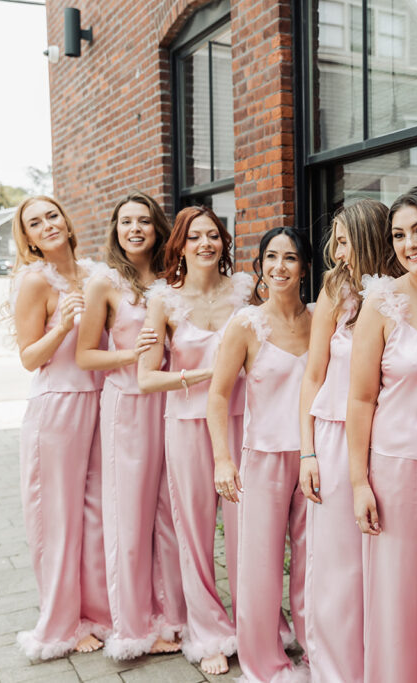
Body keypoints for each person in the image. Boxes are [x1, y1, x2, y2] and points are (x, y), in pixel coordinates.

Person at [347, 186, 417, 683]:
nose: (409, 243)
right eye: (398, 234)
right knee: (404, 605)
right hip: (399, 470)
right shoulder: (382, 302)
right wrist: (358, 482)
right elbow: (360, 399)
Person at [138, 206, 252, 675]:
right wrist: (204, 374)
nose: (206, 243)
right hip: (186, 424)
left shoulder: (246, 290)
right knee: (194, 530)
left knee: (249, 527)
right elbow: (146, 380)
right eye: (195, 237)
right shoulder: (164, 300)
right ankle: (208, 632)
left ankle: (255, 623)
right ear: (180, 246)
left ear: (223, 243)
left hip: (242, 420)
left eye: (214, 235)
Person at [298, 200, 404, 683]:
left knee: (383, 569)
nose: (337, 252)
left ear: (366, 239)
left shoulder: (404, 294)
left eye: (344, 240)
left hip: (389, 441)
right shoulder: (333, 292)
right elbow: (313, 375)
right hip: (336, 436)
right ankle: (336, 672)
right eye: (334, 240)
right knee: (339, 565)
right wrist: (308, 452)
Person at [75, 191, 184, 658]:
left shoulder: (170, 278)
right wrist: (132, 356)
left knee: (168, 514)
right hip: (126, 408)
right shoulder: (104, 283)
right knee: (128, 518)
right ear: (116, 231)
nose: (134, 229)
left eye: (143, 221)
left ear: (158, 228)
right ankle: (133, 626)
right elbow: (84, 355)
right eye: (126, 222)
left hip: (170, 406)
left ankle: (173, 616)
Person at [6, 195, 111, 659]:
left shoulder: (94, 274)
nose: (46, 224)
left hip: (101, 402)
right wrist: (62, 326)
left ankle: (95, 612)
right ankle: (61, 622)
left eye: (52, 216)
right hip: (58, 406)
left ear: (67, 223)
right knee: (57, 516)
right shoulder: (34, 281)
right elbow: (29, 357)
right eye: (35, 222)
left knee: (94, 514)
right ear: (27, 238)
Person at [208, 227, 313, 683]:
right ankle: (263, 664)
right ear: (261, 265)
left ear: (305, 266)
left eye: (290, 258)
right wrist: (222, 459)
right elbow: (216, 396)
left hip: (314, 457)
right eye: (272, 257)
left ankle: (317, 651)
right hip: (263, 458)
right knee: (260, 567)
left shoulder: (320, 319)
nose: (280, 267)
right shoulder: (246, 324)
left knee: (314, 564)